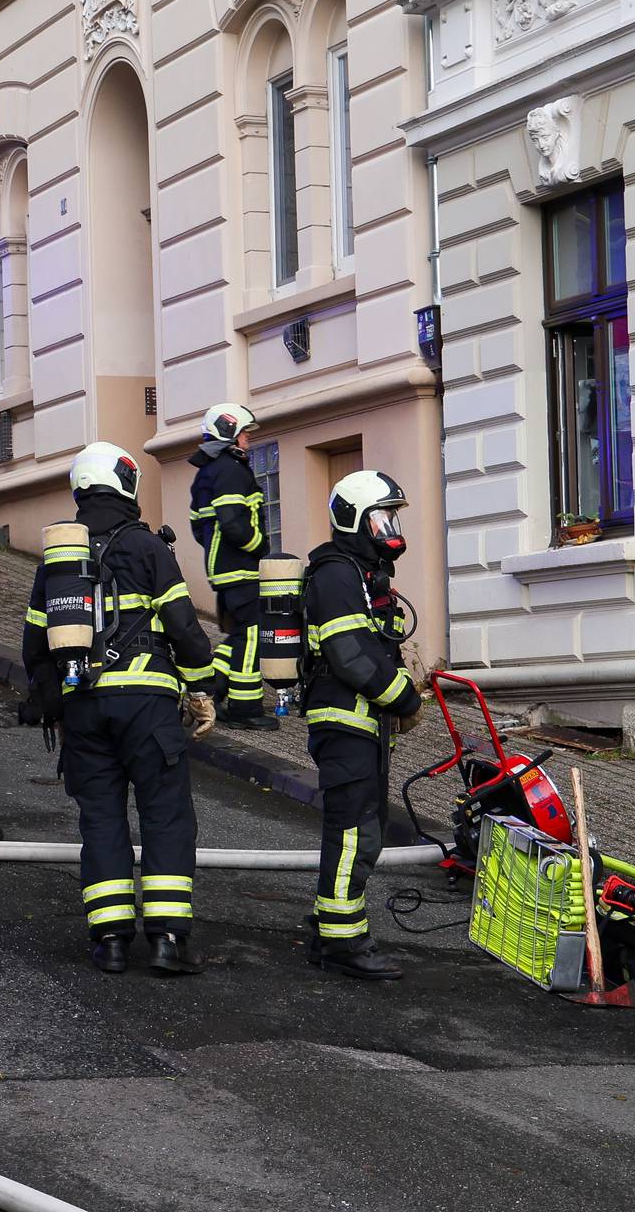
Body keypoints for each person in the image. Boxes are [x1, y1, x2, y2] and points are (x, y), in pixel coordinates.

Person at [24, 444, 222, 975]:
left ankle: (110, 941)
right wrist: (201, 689)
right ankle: (167, 941)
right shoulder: (147, 546)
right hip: (147, 709)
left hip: (83, 708)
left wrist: (58, 706)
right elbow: (184, 629)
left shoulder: (58, 557)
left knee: (101, 818)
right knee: (165, 816)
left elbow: (34, 646)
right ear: (125, 484)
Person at [301, 470, 427, 981]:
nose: (391, 527)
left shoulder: (361, 572)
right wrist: (405, 699)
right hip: (345, 721)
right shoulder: (336, 574)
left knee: (360, 832)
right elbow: (351, 656)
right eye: (382, 517)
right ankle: (343, 943)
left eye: (393, 517)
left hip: (363, 725)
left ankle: (328, 929)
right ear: (353, 519)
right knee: (354, 834)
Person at [186, 403, 275, 728]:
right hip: (240, 570)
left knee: (239, 635)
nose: (248, 440)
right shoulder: (231, 470)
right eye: (244, 433)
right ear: (229, 433)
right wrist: (260, 547)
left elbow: (199, 527)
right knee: (252, 635)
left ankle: (214, 688)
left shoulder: (207, 472)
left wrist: (218, 552)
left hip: (224, 570)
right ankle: (245, 709)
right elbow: (234, 524)